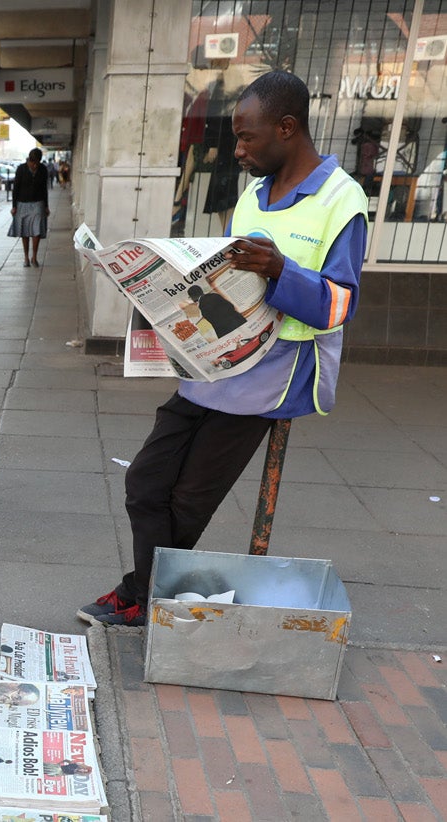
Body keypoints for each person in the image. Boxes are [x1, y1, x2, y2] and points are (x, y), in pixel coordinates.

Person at [78, 70, 367, 628]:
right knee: (145, 481)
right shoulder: (254, 196)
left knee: (188, 500)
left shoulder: (341, 200)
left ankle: (138, 597)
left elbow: (340, 307)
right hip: (215, 362)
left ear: (287, 128)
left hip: (273, 373)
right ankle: (148, 593)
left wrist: (282, 269)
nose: (237, 151)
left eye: (247, 138)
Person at [8, 148, 50, 267]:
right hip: (22, 203)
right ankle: (26, 257)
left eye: (37, 163)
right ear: (29, 160)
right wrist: (14, 206)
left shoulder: (43, 169)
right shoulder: (21, 169)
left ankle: (34, 257)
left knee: (36, 231)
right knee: (25, 231)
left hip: (38, 203)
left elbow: (44, 189)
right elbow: (15, 188)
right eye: (33, 162)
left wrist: (46, 206)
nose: (35, 165)